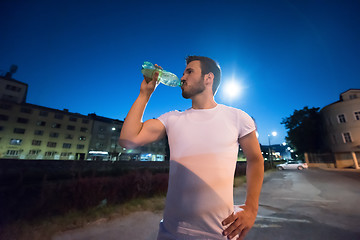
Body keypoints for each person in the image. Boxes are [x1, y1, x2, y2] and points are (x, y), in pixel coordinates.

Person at [119, 56, 264, 240]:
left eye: (189, 71)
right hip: (170, 234)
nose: (182, 77)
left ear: (208, 78)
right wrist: (144, 94)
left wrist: (251, 209)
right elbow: (128, 139)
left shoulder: (237, 117)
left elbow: (255, 159)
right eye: (183, 72)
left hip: (219, 234)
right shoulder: (172, 118)